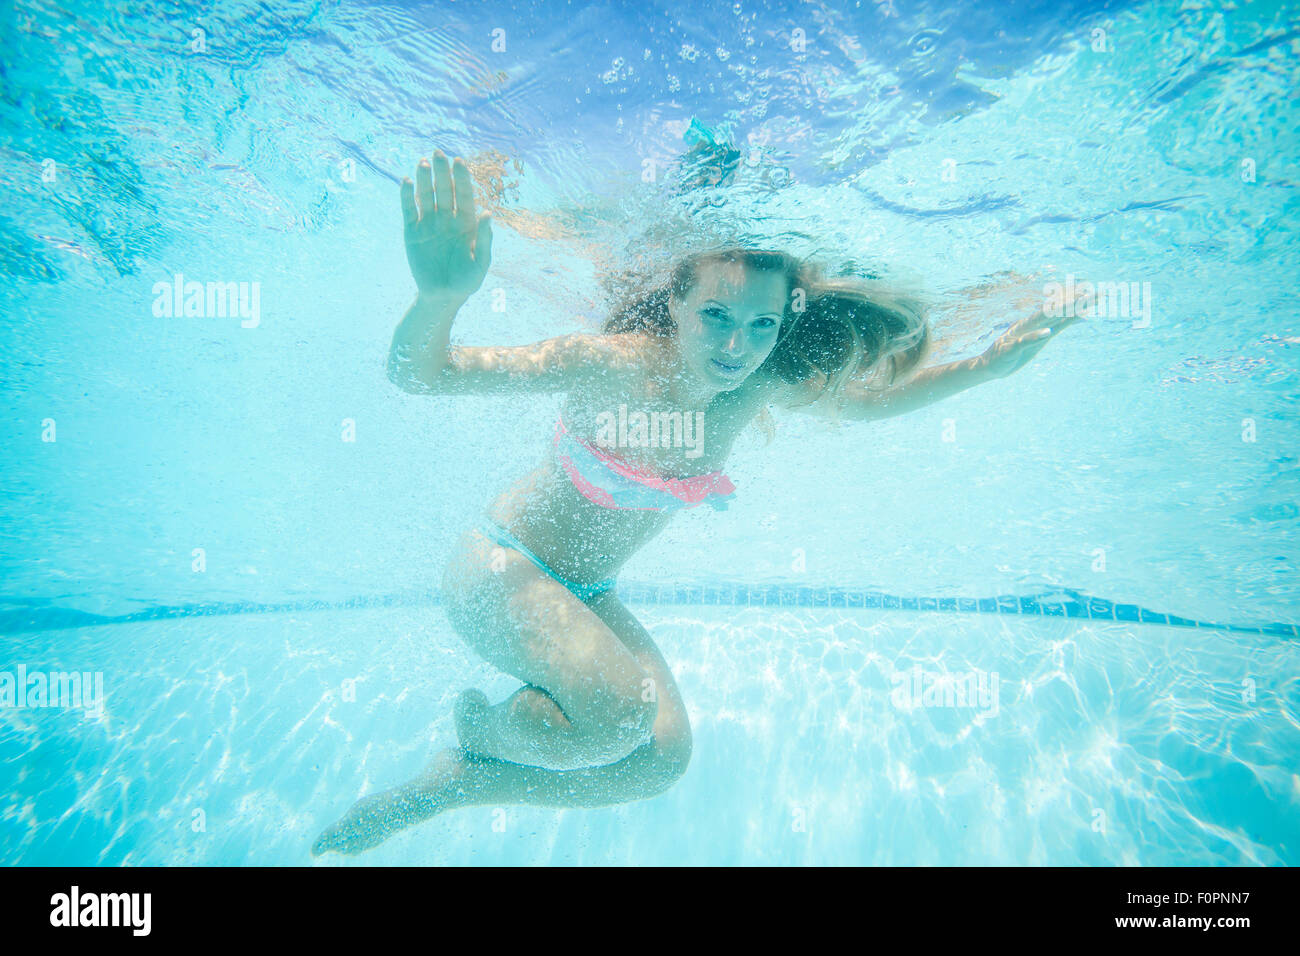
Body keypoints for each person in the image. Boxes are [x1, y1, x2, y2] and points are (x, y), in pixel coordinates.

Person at [311, 150, 1077, 856]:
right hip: (503, 568)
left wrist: (986, 367)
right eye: (716, 314)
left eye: (762, 325)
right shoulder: (608, 366)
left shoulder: (755, 387)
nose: (736, 346)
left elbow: (870, 404)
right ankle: (494, 733)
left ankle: (465, 779)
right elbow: (424, 375)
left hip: (586, 592)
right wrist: (439, 296)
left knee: (657, 762)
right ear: (676, 299)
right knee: (614, 718)